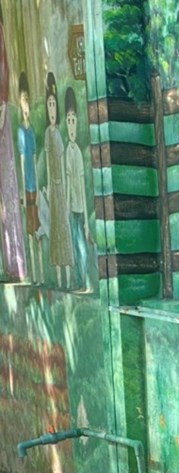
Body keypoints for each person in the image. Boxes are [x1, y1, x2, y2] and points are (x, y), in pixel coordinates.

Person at [0, 18, 26, 280]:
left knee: (8, 189)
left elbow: (4, 68)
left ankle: (15, 262)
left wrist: (2, 105)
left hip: (2, 113)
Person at [43, 71, 73, 289]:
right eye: (49, 105)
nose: (52, 109)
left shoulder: (59, 135)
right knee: (55, 233)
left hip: (61, 187)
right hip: (53, 189)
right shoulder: (47, 133)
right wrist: (49, 187)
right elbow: (47, 161)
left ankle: (69, 281)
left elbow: (62, 165)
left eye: (54, 105)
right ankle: (60, 281)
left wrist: (63, 188)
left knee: (64, 230)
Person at [63, 87, 90, 291]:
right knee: (74, 244)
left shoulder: (78, 153)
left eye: (73, 120)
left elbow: (80, 185)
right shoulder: (67, 152)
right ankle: (79, 281)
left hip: (80, 209)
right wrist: (66, 208)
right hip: (71, 208)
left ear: (77, 122)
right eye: (68, 120)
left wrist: (87, 221)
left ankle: (85, 281)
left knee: (81, 246)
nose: (71, 125)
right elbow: (67, 183)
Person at [17, 72, 40, 281]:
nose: (26, 105)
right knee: (30, 228)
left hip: (34, 186)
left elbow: (33, 158)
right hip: (26, 186)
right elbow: (23, 161)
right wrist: (24, 190)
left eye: (28, 100)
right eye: (23, 100)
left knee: (37, 226)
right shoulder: (20, 132)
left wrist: (38, 187)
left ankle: (40, 273)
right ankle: (32, 272)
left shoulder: (31, 130)